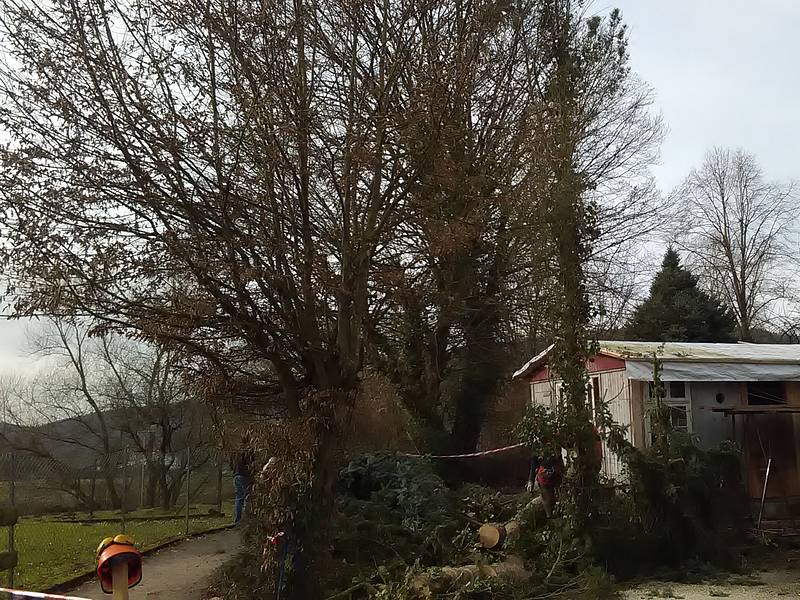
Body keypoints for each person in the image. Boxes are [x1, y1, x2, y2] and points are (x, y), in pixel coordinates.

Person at [526, 452, 563, 518]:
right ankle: (550, 517)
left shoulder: (556, 444)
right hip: (544, 475)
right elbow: (534, 463)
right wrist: (531, 480)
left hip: (557, 472)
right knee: (548, 499)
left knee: (560, 495)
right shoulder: (537, 446)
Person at [231, 433, 255, 525]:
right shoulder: (249, 451)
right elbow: (252, 465)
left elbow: (231, 463)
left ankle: (238, 521)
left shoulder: (236, 451)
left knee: (238, 498)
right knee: (247, 498)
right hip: (245, 475)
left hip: (236, 475)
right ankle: (246, 521)